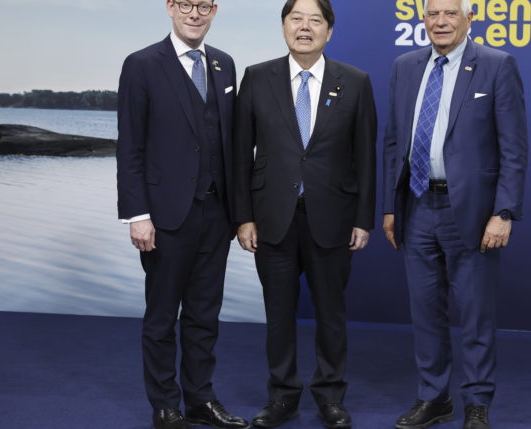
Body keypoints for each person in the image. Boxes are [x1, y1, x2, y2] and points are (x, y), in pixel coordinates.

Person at [382, 0, 528, 427]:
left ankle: (477, 402)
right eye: (432, 14)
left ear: (469, 18)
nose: (440, 21)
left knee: (476, 312)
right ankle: (434, 398)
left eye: (450, 13)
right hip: (416, 204)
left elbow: (513, 149)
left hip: (473, 211)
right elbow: (394, 143)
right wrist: (390, 207)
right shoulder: (405, 66)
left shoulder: (497, 65)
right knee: (425, 311)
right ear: (423, 19)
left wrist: (504, 211)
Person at [233, 0, 377, 427]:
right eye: (297, 19)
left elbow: (365, 157)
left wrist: (363, 219)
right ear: (283, 27)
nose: (305, 27)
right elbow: (241, 154)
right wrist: (243, 217)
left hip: (333, 219)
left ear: (329, 32)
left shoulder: (354, 82)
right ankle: (282, 397)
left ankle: (330, 396)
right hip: (271, 217)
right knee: (278, 315)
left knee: (331, 314)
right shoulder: (256, 78)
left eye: (316, 20)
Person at [116, 1, 248, 428]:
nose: (195, 13)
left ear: (215, 10)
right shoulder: (141, 65)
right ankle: (165, 405)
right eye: (187, 4)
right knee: (161, 317)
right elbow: (130, 145)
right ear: (171, 7)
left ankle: (200, 400)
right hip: (166, 216)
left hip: (217, 214)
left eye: (204, 5)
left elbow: (232, 144)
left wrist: (240, 212)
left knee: (204, 315)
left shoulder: (225, 65)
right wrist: (137, 213)